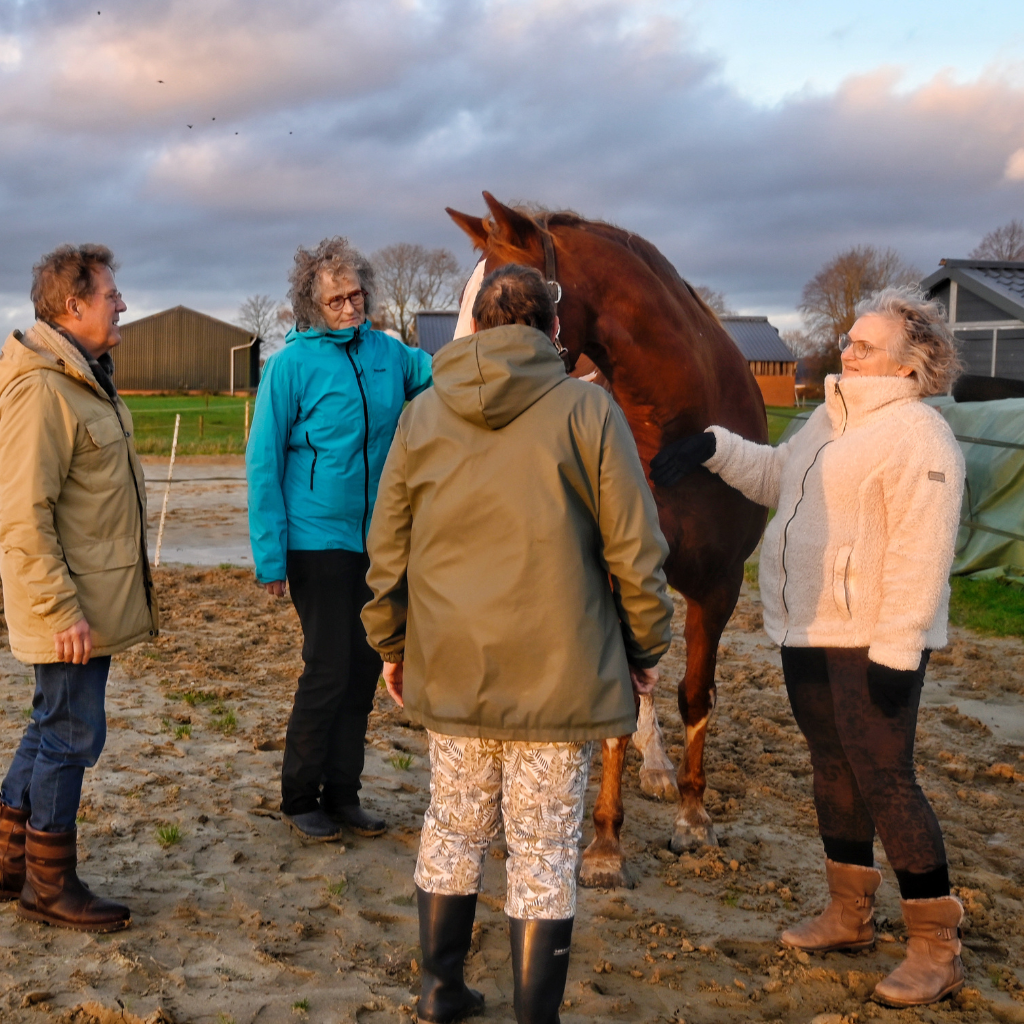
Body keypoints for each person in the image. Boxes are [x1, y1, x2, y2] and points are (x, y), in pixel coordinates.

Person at [362, 264, 673, 1024]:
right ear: (553, 331)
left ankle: (440, 989)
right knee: (542, 846)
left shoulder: (423, 414)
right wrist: (644, 648)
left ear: (472, 328)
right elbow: (636, 548)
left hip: (454, 661)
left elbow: (389, 545)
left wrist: (392, 643)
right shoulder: (587, 411)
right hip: (559, 671)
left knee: (453, 824)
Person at [651, 287, 966, 1008]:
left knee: (887, 778)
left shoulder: (919, 436)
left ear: (911, 364)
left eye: (865, 344)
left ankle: (935, 945)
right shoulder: (830, 418)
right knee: (832, 768)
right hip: (808, 627)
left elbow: (923, 554)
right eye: (850, 339)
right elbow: (776, 477)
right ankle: (849, 913)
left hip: (871, 640)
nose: (847, 350)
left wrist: (899, 648)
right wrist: (713, 448)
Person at [247, 236, 432, 842]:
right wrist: (271, 557)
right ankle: (300, 797)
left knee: (362, 669)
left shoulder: (391, 355)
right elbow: (263, 463)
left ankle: (343, 794)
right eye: (335, 300)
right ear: (311, 305)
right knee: (327, 666)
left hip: (378, 541)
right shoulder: (289, 368)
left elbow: (450, 377)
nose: (350, 307)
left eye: (356, 295)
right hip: (314, 540)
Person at [0, 244, 158, 932]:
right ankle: (49, 885)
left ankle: (10, 862)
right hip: (70, 608)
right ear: (74, 305)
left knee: (49, 725)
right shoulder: (42, 388)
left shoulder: (84, 378)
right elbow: (22, 512)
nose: (120, 302)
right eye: (111, 293)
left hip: (89, 599)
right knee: (70, 733)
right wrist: (61, 609)